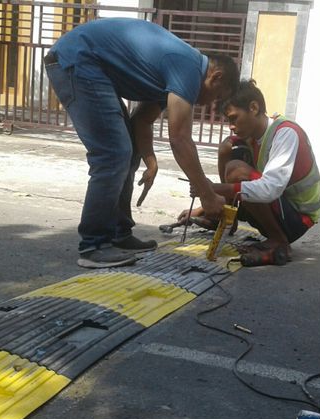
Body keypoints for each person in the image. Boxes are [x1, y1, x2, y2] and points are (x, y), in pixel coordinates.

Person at [44, 17, 239, 269]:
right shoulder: (188, 67)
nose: (210, 103)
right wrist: (207, 194)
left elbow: (141, 122)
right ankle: (93, 246)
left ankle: (118, 233)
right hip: (78, 60)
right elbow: (180, 138)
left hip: (89, 64)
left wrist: (150, 161)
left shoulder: (177, 72)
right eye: (217, 96)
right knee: (113, 154)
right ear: (216, 76)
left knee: (127, 150)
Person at [180, 80, 320, 266]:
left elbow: (269, 189)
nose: (231, 126)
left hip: (297, 219)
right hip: (279, 209)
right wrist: (209, 203)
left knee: (237, 171)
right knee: (229, 149)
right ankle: (225, 216)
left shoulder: (286, 133)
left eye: (233, 118)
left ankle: (279, 241)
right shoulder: (251, 136)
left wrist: (211, 189)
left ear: (253, 108)